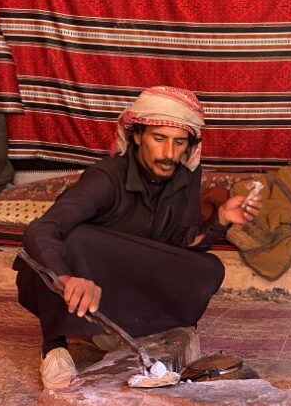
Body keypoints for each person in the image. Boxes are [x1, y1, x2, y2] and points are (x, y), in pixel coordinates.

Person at [15, 86, 262, 389]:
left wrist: (221, 219)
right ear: (137, 136)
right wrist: (66, 278)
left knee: (208, 268)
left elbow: (179, 242)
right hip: (72, 277)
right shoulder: (105, 179)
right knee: (78, 239)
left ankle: (121, 328)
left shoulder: (184, 177)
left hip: (124, 279)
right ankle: (54, 347)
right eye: (159, 139)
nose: (169, 153)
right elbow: (41, 229)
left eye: (179, 142)